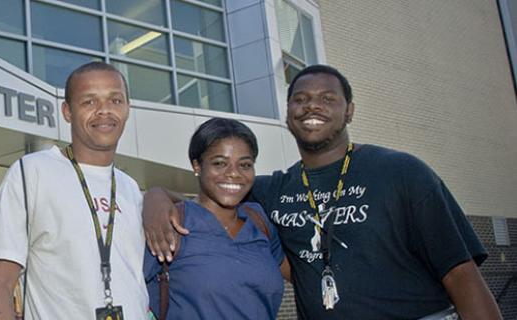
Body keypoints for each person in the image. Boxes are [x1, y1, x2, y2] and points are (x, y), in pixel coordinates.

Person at [143, 65, 501, 319]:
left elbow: (462, 275)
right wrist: (156, 196)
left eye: (328, 98)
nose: (312, 106)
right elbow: (214, 195)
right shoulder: (271, 190)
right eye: (301, 99)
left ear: (350, 111)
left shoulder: (402, 172)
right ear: (287, 114)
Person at [0, 61, 148, 320]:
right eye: (89, 102)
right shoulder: (31, 172)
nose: (104, 111)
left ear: (127, 109)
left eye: (115, 100)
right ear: (67, 111)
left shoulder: (130, 187)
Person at [144, 117, 287, 319]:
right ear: (197, 166)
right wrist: (154, 194)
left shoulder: (258, 221)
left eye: (245, 165)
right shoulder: (173, 222)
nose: (234, 174)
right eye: (220, 163)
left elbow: (304, 278)